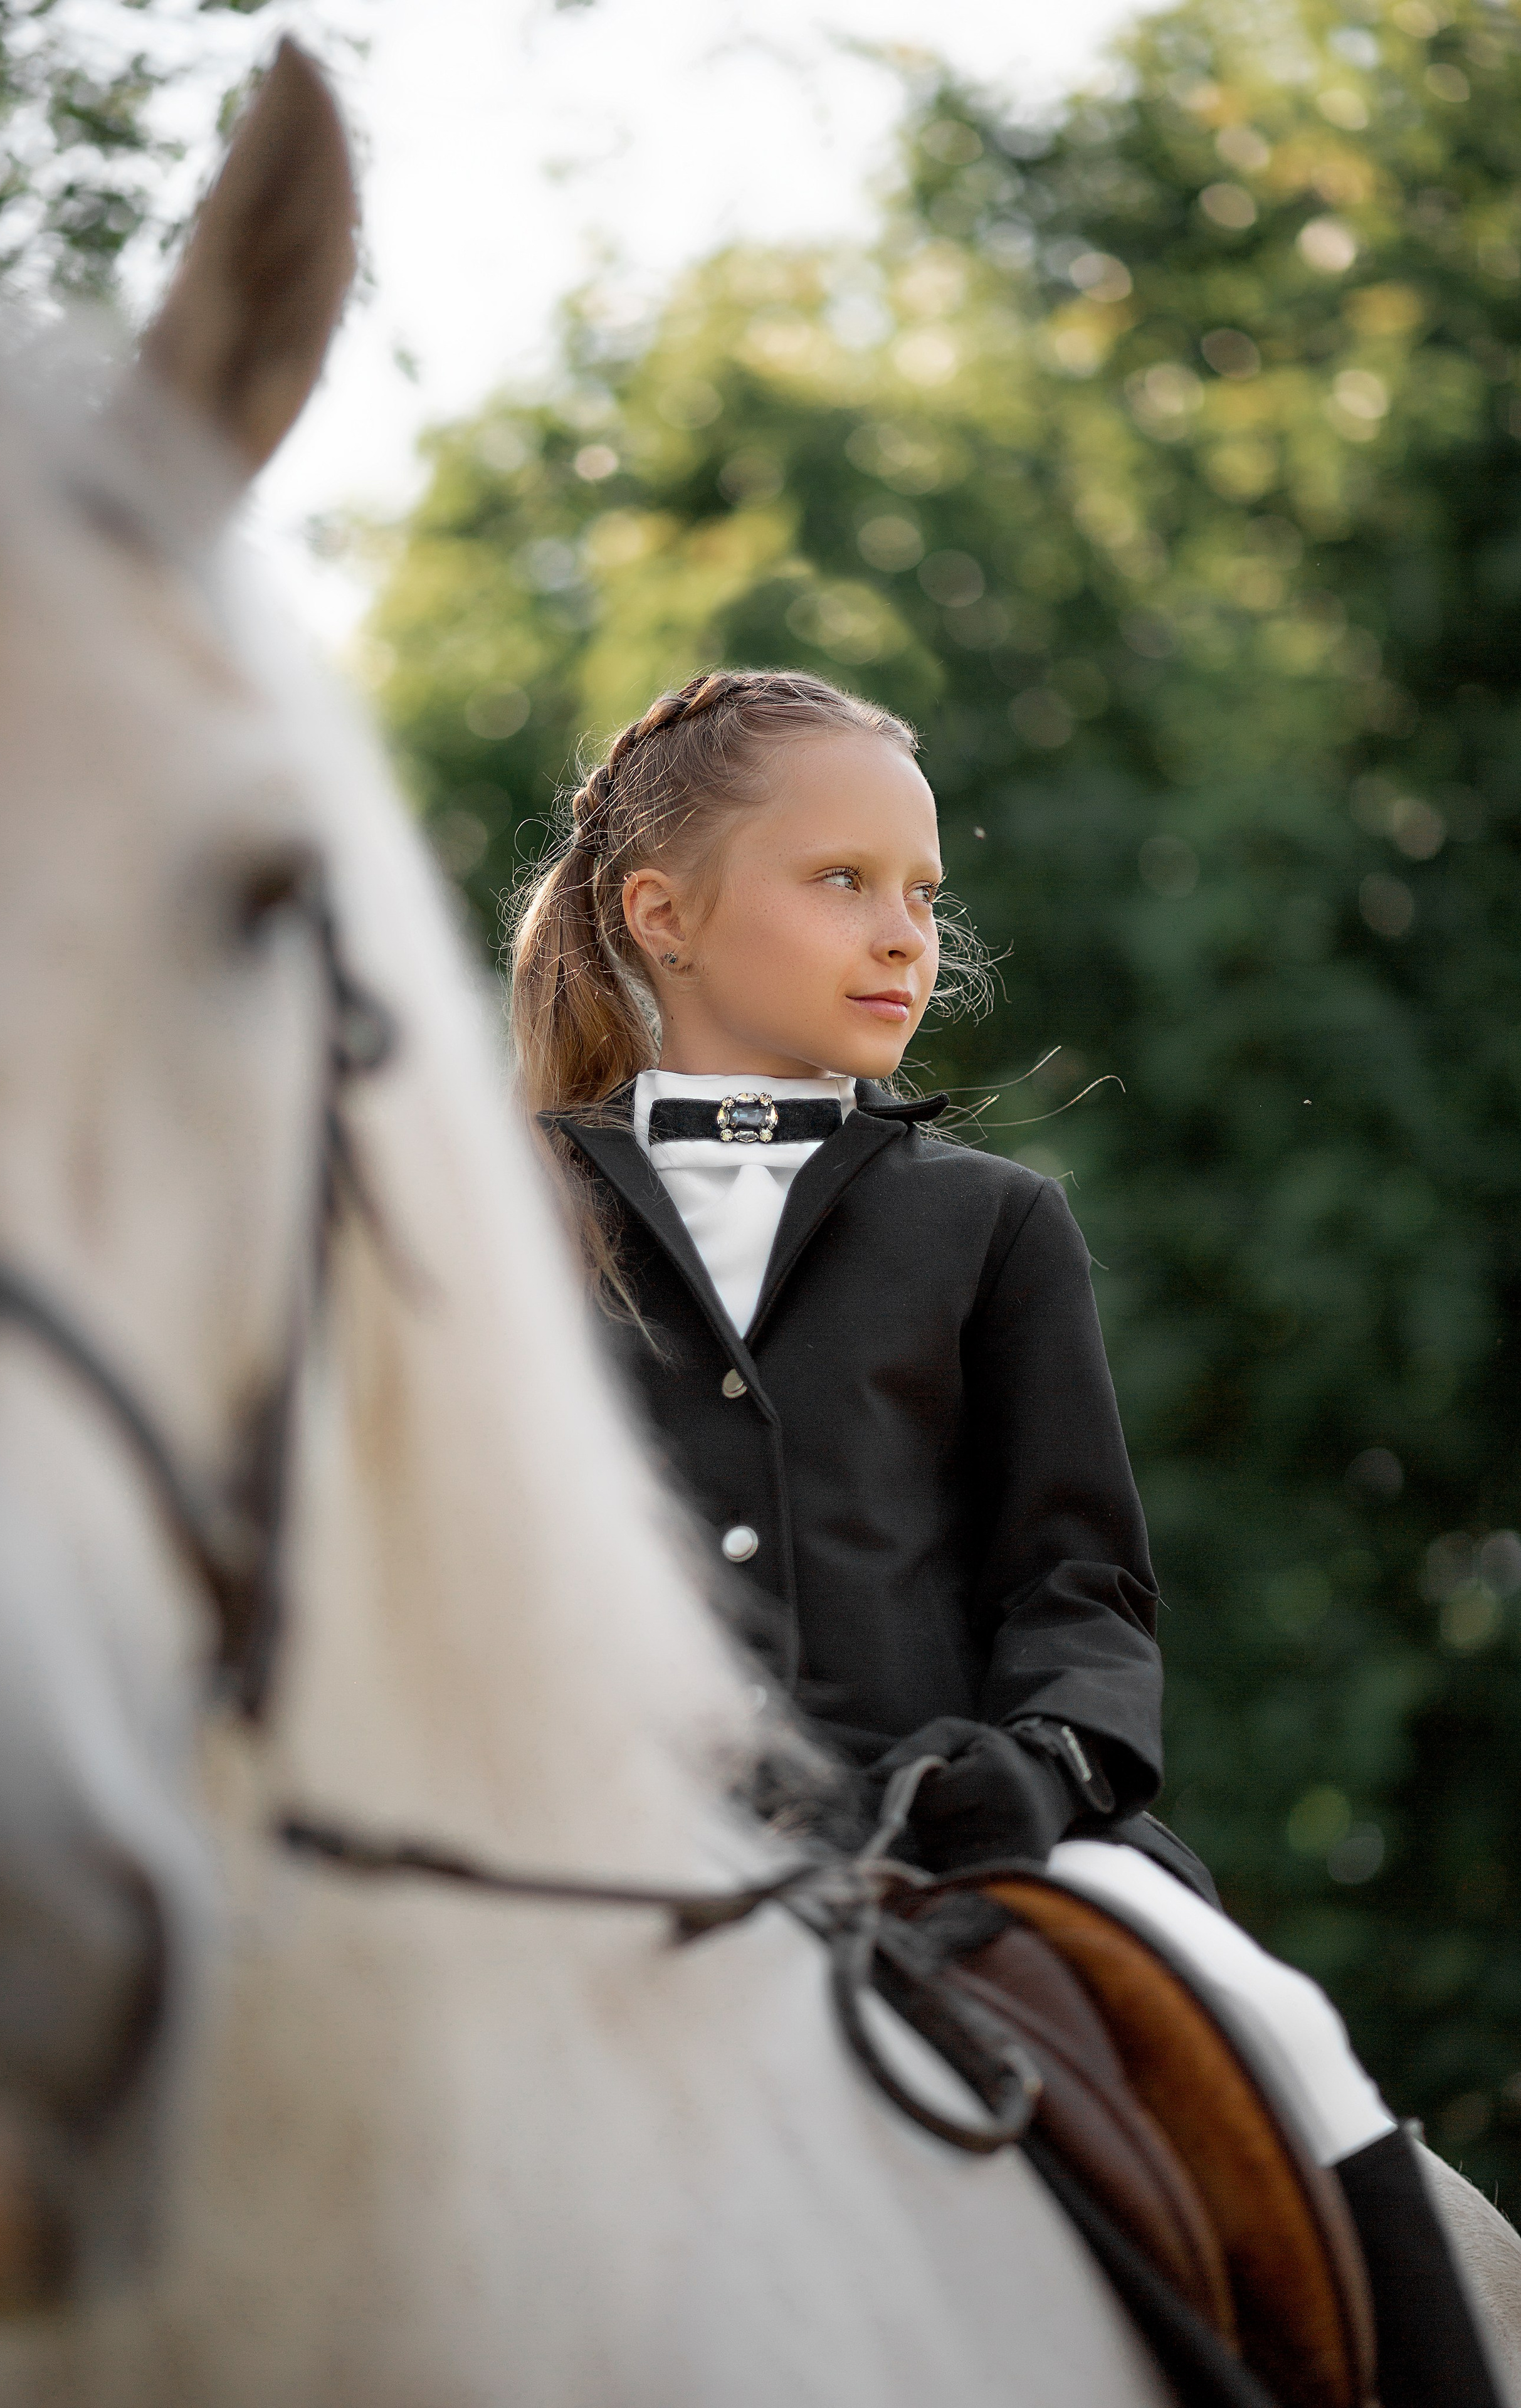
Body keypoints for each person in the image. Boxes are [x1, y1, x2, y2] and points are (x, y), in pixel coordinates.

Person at [513, 666, 1502, 2407]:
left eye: (923, 894)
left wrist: (1043, 1756)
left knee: (1286, 2039)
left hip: (968, 1826)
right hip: (583, 1842)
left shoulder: (992, 1224)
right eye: (841, 883)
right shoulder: (493, 1214)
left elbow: (1080, 1576)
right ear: (659, 917)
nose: (905, 936)